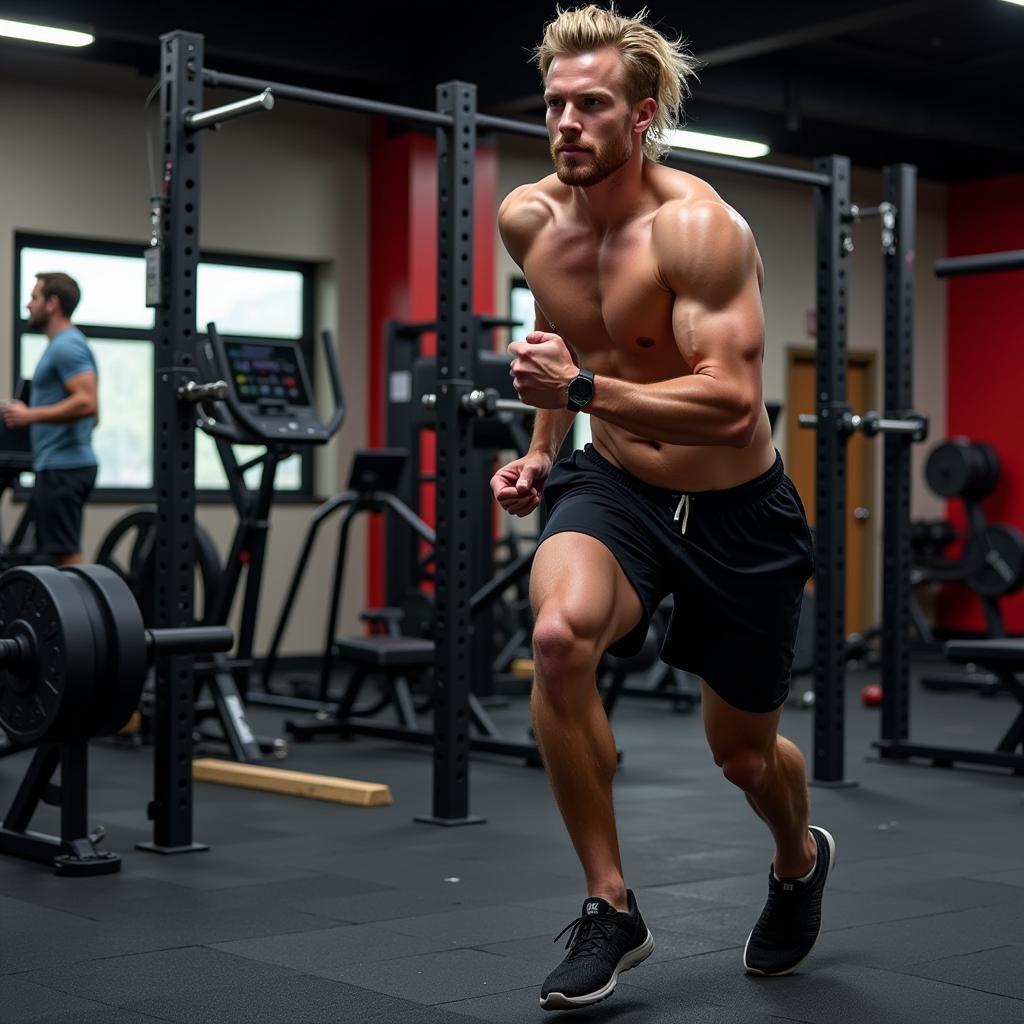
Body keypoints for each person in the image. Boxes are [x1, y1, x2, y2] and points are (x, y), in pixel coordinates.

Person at [492, 5, 831, 1012]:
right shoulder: (527, 220)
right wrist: (543, 451)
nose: (566, 122)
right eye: (555, 104)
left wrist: (578, 397)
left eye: (590, 104)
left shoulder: (699, 229)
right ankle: (610, 903)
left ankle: (796, 859)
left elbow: (729, 405)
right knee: (557, 637)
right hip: (618, 489)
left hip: (739, 513)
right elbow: (564, 330)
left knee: (741, 756)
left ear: (641, 117)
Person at [4, 272, 98, 566]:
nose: (28, 305)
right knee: (56, 553)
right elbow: (93, 414)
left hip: (64, 467)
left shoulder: (66, 346)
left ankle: (81, 613)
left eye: (34, 297)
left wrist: (28, 414)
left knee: (65, 555)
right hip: (60, 464)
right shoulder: (63, 345)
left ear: (52, 303)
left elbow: (87, 404)